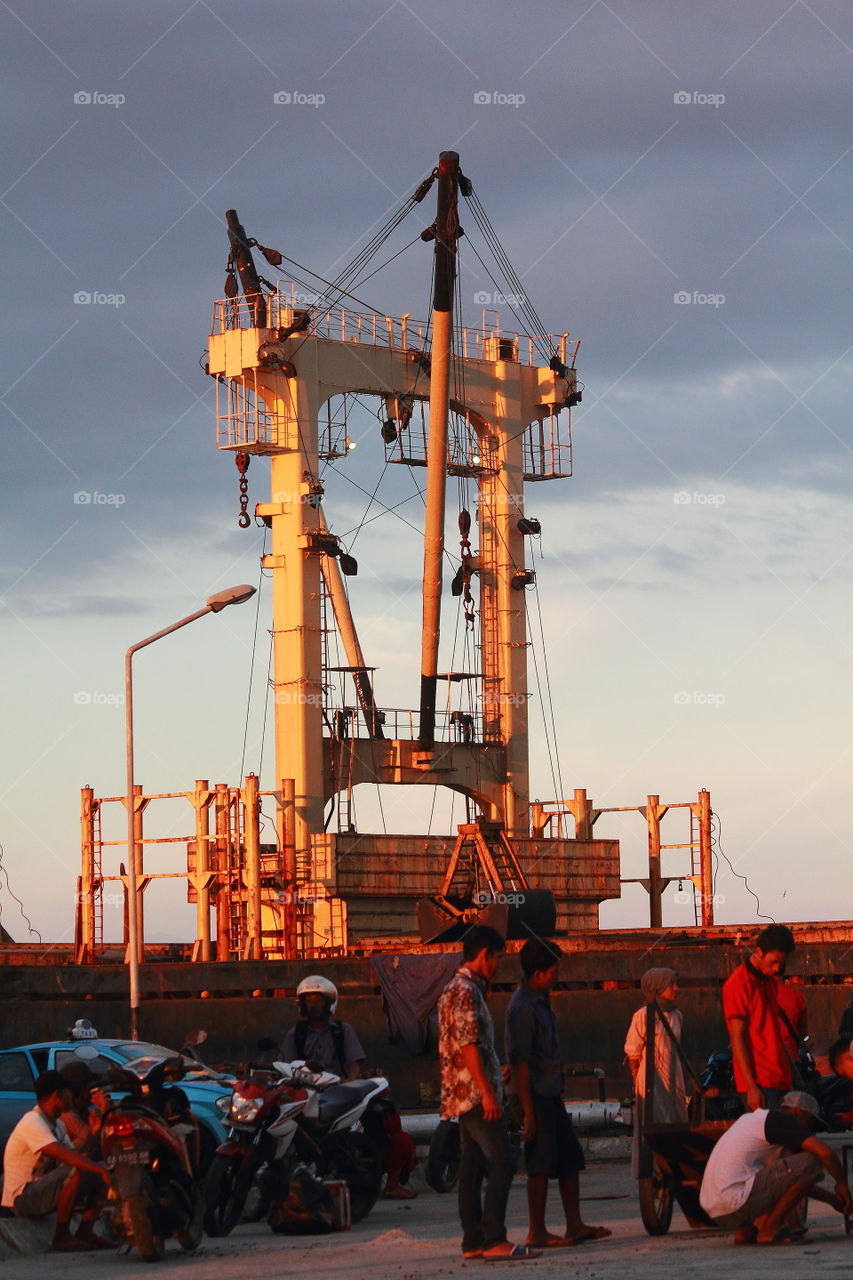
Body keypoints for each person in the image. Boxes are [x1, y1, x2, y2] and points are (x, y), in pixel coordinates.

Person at [438, 924, 539, 1261]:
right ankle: (494, 1238)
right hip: (476, 1096)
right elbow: (469, 1045)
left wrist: (495, 1072)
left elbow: (465, 1046)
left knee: (471, 1167)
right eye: (497, 957)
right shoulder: (467, 991)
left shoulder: (451, 988)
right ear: (484, 955)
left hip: (460, 1095)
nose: (498, 965)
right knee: (503, 1162)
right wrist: (488, 1091)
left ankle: (473, 1241)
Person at [505, 938, 611, 1248]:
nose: (557, 976)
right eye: (553, 971)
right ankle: (536, 1231)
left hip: (549, 1092)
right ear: (538, 974)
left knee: (569, 1157)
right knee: (539, 1162)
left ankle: (574, 1225)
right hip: (535, 1095)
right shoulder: (523, 1008)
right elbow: (520, 1063)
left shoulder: (541, 998)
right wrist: (528, 1112)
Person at [280, 974, 416, 1199]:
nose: (313, 1005)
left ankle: (390, 1181)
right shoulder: (295, 1034)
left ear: (328, 1002)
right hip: (305, 1095)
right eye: (308, 1000)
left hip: (337, 1095)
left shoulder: (343, 1031)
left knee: (383, 1120)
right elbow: (285, 1065)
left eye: (318, 999)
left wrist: (349, 1083)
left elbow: (354, 1065)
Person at [699, 1089, 852, 1244]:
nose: (809, 1130)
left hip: (716, 1210)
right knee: (812, 1160)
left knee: (792, 1169)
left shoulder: (754, 1122)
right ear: (798, 1111)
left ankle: (745, 1231)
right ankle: (770, 1230)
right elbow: (825, 1153)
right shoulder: (781, 1121)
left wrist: (833, 1201)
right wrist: (842, 1185)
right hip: (735, 1200)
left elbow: (793, 1184)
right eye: (811, 1122)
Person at [1, 1069, 113, 1251]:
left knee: (104, 1170)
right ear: (57, 1096)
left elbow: (79, 1156)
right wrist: (99, 1170)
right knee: (83, 1170)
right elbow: (66, 1157)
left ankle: (85, 1231)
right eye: (68, 1094)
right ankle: (61, 1236)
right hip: (22, 1198)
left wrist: (94, 1133)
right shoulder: (32, 1121)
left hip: (43, 1189)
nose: (71, 1098)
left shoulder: (57, 1123)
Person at [722, 923, 796, 1110]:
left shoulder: (768, 981)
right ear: (759, 952)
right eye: (773, 962)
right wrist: (751, 1087)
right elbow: (737, 1038)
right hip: (760, 1083)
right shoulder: (738, 984)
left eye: (781, 963)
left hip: (779, 1078)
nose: (777, 968)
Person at [624, 966, 688, 1178]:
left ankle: (675, 1168)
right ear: (658, 987)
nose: (676, 988)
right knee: (654, 1122)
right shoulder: (642, 1016)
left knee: (676, 1119)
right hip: (652, 1076)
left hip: (674, 1074)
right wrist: (637, 1079)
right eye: (671, 985)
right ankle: (653, 1170)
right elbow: (633, 1053)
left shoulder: (677, 1015)